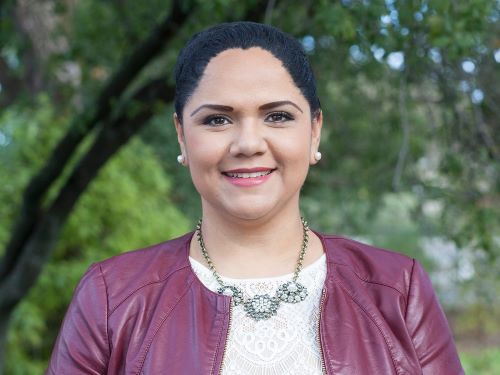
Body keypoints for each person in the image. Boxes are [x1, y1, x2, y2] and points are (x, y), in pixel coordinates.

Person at [47, 22, 464, 374]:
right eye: (217, 119)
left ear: (314, 130)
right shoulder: (111, 298)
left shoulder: (396, 289)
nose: (248, 143)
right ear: (181, 135)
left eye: (277, 116)